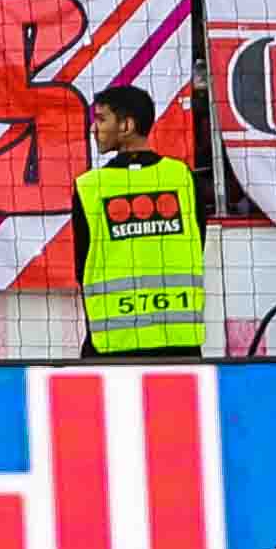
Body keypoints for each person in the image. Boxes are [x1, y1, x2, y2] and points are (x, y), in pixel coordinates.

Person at [69, 82, 208, 359]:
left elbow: (81, 266)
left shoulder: (90, 186)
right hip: (178, 341)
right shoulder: (181, 177)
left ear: (127, 125)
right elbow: (198, 241)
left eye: (101, 119)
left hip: (111, 341)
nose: (94, 128)